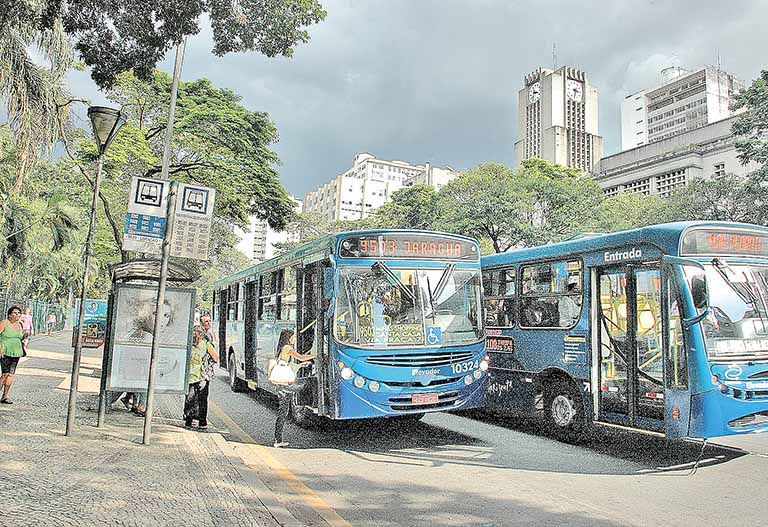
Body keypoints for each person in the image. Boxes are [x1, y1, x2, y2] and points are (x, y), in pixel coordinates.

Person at [272, 329, 315, 448]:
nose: (294, 338)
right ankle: (277, 440)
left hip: (282, 384)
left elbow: (288, 364)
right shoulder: (287, 347)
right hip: (284, 385)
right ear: (289, 337)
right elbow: (300, 357)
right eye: (293, 336)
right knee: (305, 386)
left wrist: (301, 365)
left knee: (283, 412)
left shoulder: (283, 348)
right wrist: (316, 355)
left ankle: (278, 439)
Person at [184, 327, 218, 429]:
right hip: (190, 376)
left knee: (200, 399)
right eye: (193, 334)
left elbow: (215, 358)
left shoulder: (206, 344)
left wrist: (207, 362)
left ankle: (201, 421)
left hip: (202, 376)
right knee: (191, 398)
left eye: (196, 335)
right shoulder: (189, 344)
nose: (195, 337)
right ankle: (190, 420)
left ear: (201, 335)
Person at [0, 306, 25, 404]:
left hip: (16, 352)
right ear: (10, 315)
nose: (17, 314)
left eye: (19, 313)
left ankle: (5, 396)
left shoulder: (20, 324)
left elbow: (21, 337)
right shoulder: (4, 323)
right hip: (5, 351)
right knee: (4, 374)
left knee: (10, 375)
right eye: (15, 313)